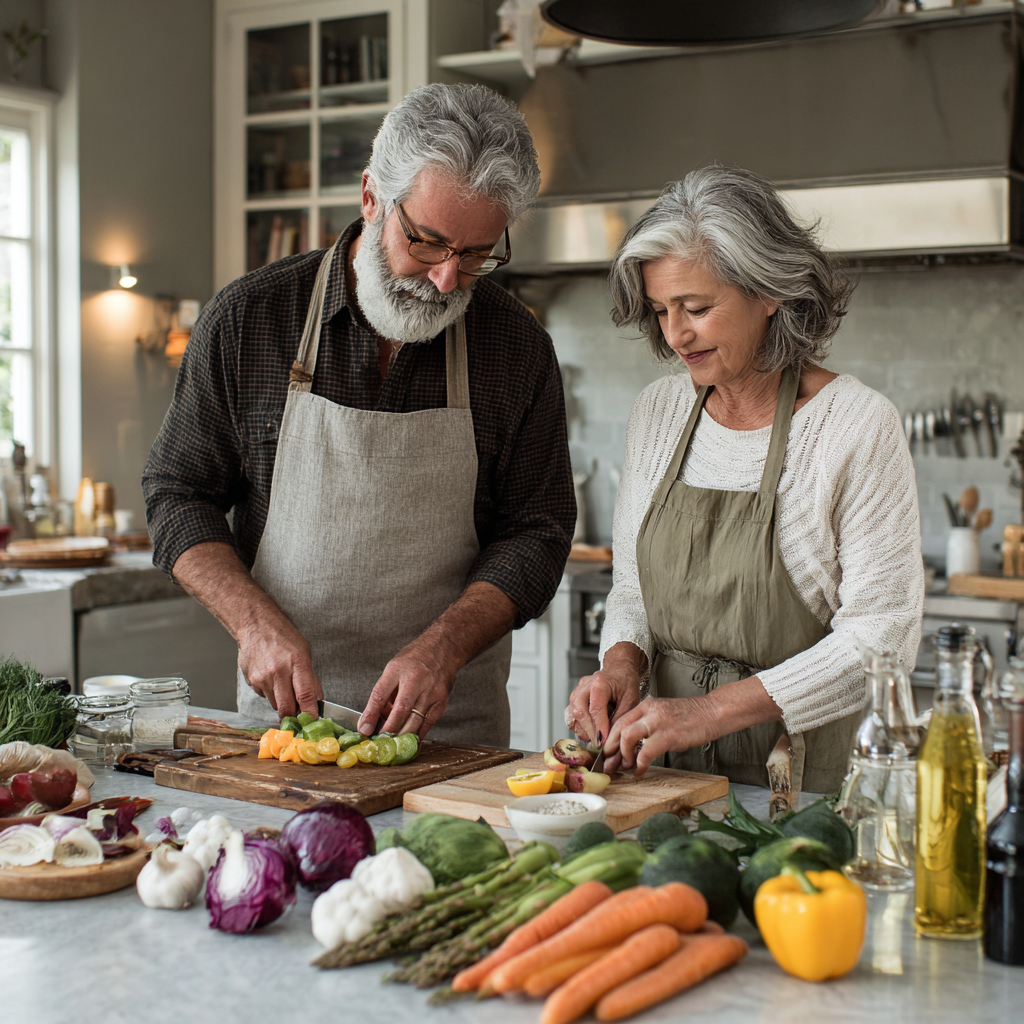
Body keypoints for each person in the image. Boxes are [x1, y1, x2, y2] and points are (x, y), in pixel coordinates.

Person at [143, 84, 574, 746]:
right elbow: (178, 495)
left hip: (451, 727)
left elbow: (538, 531)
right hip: (287, 726)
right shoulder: (249, 321)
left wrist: (444, 647)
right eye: (428, 242)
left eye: (478, 253)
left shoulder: (516, 348)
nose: (447, 280)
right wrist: (253, 624)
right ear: (372, 197)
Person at [566, 166, 923, 794]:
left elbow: (882, 640)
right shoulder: (658, 412)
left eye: (697, 309)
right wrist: (622, 662)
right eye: (660, 311)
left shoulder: (856, 425)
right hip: (661, 777)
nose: (675, 334)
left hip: (802, 785)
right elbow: (634, 589)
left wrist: (705, 712)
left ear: (770, 292)